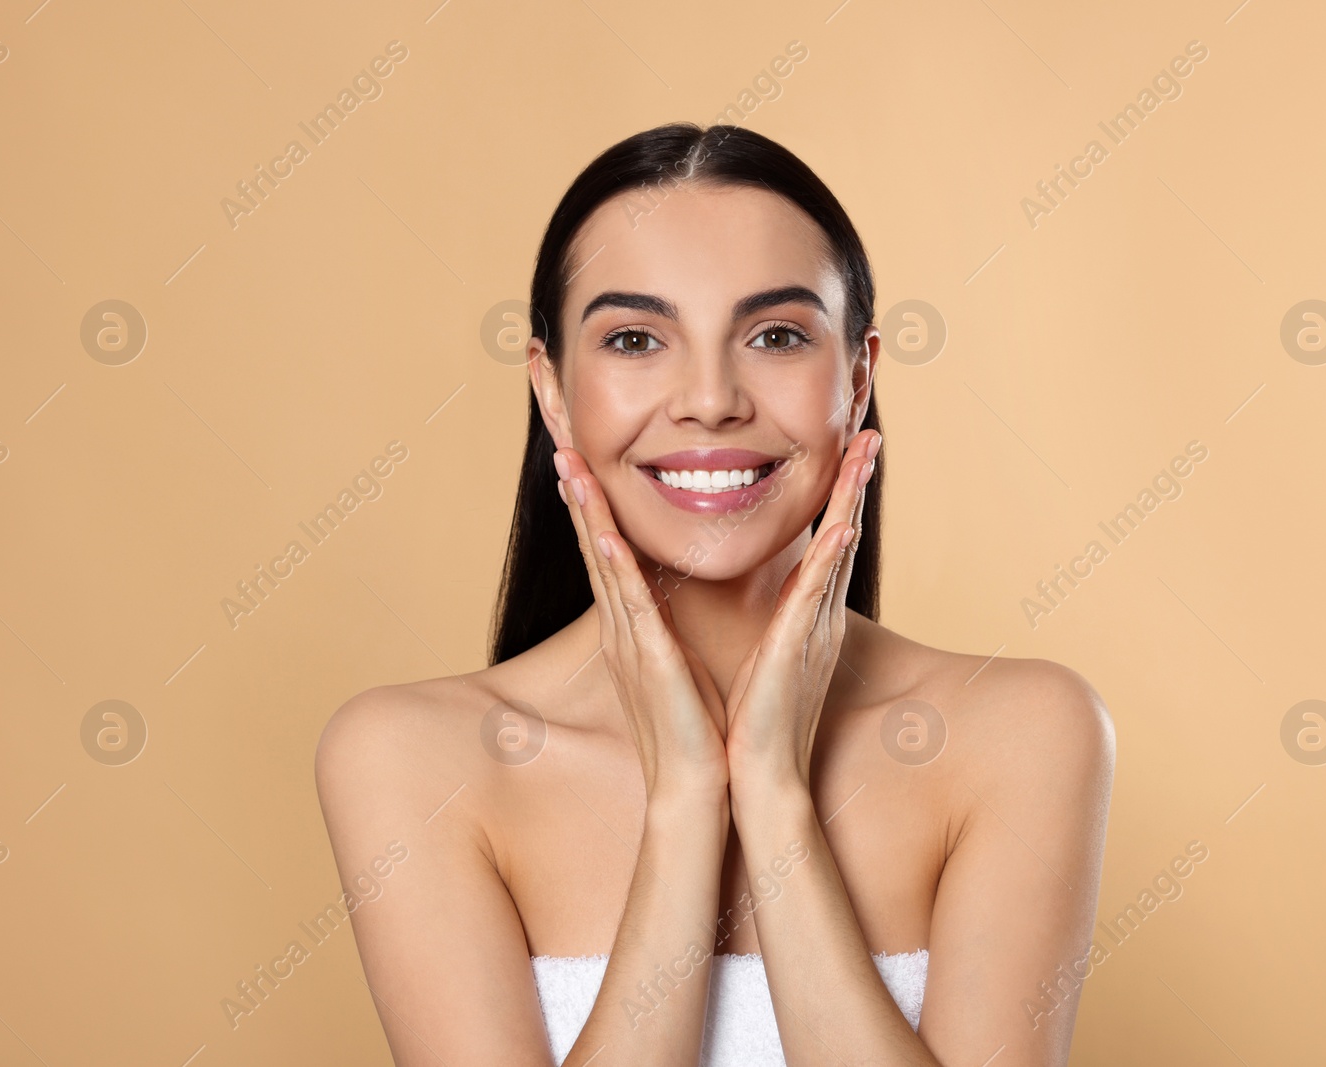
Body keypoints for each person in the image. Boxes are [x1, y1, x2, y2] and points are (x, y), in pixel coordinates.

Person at [316, 122, 1115, 1066]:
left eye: (775, 335)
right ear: (553, 390)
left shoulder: (1022, 734)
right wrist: (687, 801)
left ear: (858, 378)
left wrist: (773, 795)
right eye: (634, 338)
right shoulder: (413, 760)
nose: (709, 398)